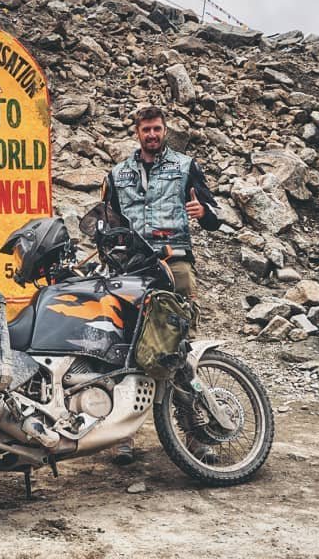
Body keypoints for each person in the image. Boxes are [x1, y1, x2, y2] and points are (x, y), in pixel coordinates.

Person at [101, 105, 220, 465]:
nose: (152, 135)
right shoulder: (117, 174)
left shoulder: (185, 167)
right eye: (146, 130)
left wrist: (204, 214)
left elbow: (214, 216)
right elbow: (107, 222)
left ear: (165, 130)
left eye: (157, 129)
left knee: (178, 349)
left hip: (174, 264)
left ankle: (195, 433)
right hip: (133, 268)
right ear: (136, 132)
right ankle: (122, 434)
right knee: (123, 346)